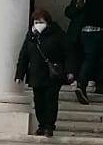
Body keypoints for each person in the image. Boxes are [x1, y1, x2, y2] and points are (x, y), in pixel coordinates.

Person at [15, 9, 69, 137]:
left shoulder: (58, 34)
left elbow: (68, 52)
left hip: (52, 75)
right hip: (36, 74)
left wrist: (69, 71)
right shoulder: (31, 37)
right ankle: (41, 125)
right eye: (36, 22)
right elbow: (24, 56)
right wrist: (19, 74)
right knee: (38, 102)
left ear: (48, 22)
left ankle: (49, 126)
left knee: (50, 100)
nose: (38, 24)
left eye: (41, 22)